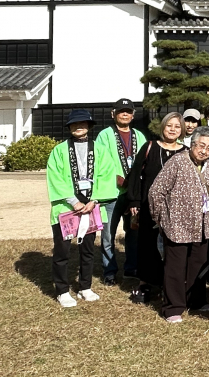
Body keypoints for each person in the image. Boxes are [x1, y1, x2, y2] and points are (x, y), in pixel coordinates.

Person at [46, 109, 119, 307]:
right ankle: (62, 290)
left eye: (83, 123)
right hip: (66, 208)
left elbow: (106, 175)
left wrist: (94, 200)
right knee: (62, 251)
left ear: (89, 126)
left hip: (91, 207)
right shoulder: (59, 150)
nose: (79, 127)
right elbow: (55, 177)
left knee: (87, 250)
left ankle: (85, 286)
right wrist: (73, 201)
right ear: (69, 127)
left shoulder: (100, 150)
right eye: (75, 124)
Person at [148, 127, 209, 322]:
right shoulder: (178, 161)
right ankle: (173, 307)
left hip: (202, 224)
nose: (204, 151)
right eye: (201, 146)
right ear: (192, 144)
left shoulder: (208, 166)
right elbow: (156, 192)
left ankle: (195, 300)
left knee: (198, 264)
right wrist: (162, 218)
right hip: (177, 224)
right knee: (175, 266)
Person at [127, 111, 185, 304]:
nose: (173, 129)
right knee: (147, 245)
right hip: (148, 206)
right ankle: (144, 283)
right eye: (170, 125)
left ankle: (165, 284)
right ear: (163, 127)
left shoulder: (185, 152)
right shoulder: (150, 147)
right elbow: (135, 175)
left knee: (171, 247)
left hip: (175, 209)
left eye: (177, 126)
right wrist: (134, 201)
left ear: (182, 130)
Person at [94, 98, 147, 285]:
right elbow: (101, 162)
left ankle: (131, 267)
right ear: (113, 114)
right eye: (121, 111)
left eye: (128, 111)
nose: (124, 114)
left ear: (133, 115)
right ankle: (109, 270)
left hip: (133, 194)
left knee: (133, 231)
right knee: (108, 233)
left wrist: (134, 185)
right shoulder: (104, 135)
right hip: (111, 192)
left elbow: (143, 163)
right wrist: (119, 179)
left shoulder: (139, 136)